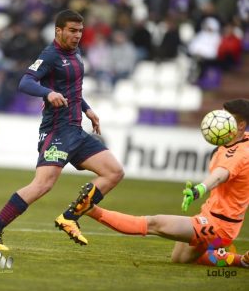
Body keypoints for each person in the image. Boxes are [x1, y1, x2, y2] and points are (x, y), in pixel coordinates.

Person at [0, 9, 124, 251]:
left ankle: (69, 217)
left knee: (114, 172)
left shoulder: (76, 53)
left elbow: (72, 88)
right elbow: (25, 81)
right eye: (72, 31)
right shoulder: (50, 55)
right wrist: (48, 93)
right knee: (42, 185)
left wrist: (87, 109)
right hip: (57, 131)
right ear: (59, 31)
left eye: (80, 31)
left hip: (76, 130)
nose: (77, 35)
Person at [85, 98, 249, 268]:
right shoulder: (239, 141)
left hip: (218, 225)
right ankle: (243, 260)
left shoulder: (239, 154)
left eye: (225, 117)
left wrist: (199, 189)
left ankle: (91, 209)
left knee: (154, 223)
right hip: (211, 217)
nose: (218, 118)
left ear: (241, 125)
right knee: (180, 259)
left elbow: (220, 175)